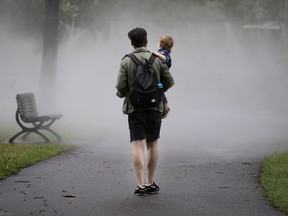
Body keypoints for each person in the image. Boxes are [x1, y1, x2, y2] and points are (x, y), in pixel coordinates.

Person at [116, 27, 175, 195]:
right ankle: (150, 182)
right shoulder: (156, 59)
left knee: (138, 145)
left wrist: (125, 94)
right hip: (155, 107)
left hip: (135, 108)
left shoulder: (127, 60)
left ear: (132, 42)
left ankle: (140, 185)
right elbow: (169, 82)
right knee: (153, 144)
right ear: (146, 40)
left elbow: (120, 87)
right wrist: (156, 92)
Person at [153, 35, 174, 119]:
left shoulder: (164, 53)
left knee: (160, 90)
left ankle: (165, 107)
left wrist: (156, 53)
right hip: (161, 75)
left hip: (162, 76)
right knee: (160, 90)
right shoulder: (162, 51)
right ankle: (164, 107)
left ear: (162, 44)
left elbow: (165, 58)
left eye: (159, 41)